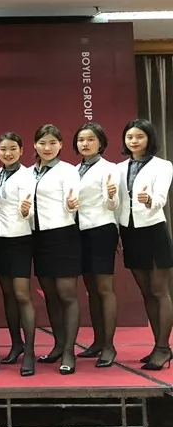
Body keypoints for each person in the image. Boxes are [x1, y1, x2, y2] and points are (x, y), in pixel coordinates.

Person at [24, 124, 82, 376]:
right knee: (50, 294)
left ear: (60, 145)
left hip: (63, 235)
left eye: (52, 143)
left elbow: (72, 203)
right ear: (35, 145)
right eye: (42, 143)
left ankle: (69, 351)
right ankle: (58, 345)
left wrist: (72, 204)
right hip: (38, 237)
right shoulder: (27, 173)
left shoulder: (68, 170)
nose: (47, 148)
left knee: (67, 294)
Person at [117, 118, 173, 370]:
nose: (134, 141)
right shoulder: (119, 168)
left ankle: (163, 348)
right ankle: (158, 345)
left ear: (149, 138)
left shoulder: (163, 165)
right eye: (130, 137)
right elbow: (116, 203)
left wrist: (149, 200)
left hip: (153, 230)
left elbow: (160, 198)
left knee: (160, 291)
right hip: (129, 232)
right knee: (146, 293)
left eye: (139, 136)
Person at [0, 132, 36, 377]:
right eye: (3, 149)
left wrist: (26, 211)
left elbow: (30, 209)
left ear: (21, 150)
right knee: (7, 295)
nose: (8, 153)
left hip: (20, 238)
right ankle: (16, 344)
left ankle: (30, 351)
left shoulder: (27, 175)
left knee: (22, 294)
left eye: (13, 149)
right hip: (0, 239)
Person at [72, 123, 120, 368]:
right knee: (90, 289)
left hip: (101, 229)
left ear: (101, 143)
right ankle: (98, 341)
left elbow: (114, 205)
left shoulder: (109, 168)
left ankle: (109, 346)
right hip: (78, 231)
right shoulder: (73, 170)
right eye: (81, 139)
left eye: (91, 139)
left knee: (104, 288)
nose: (85, 143)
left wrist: (112, 195)